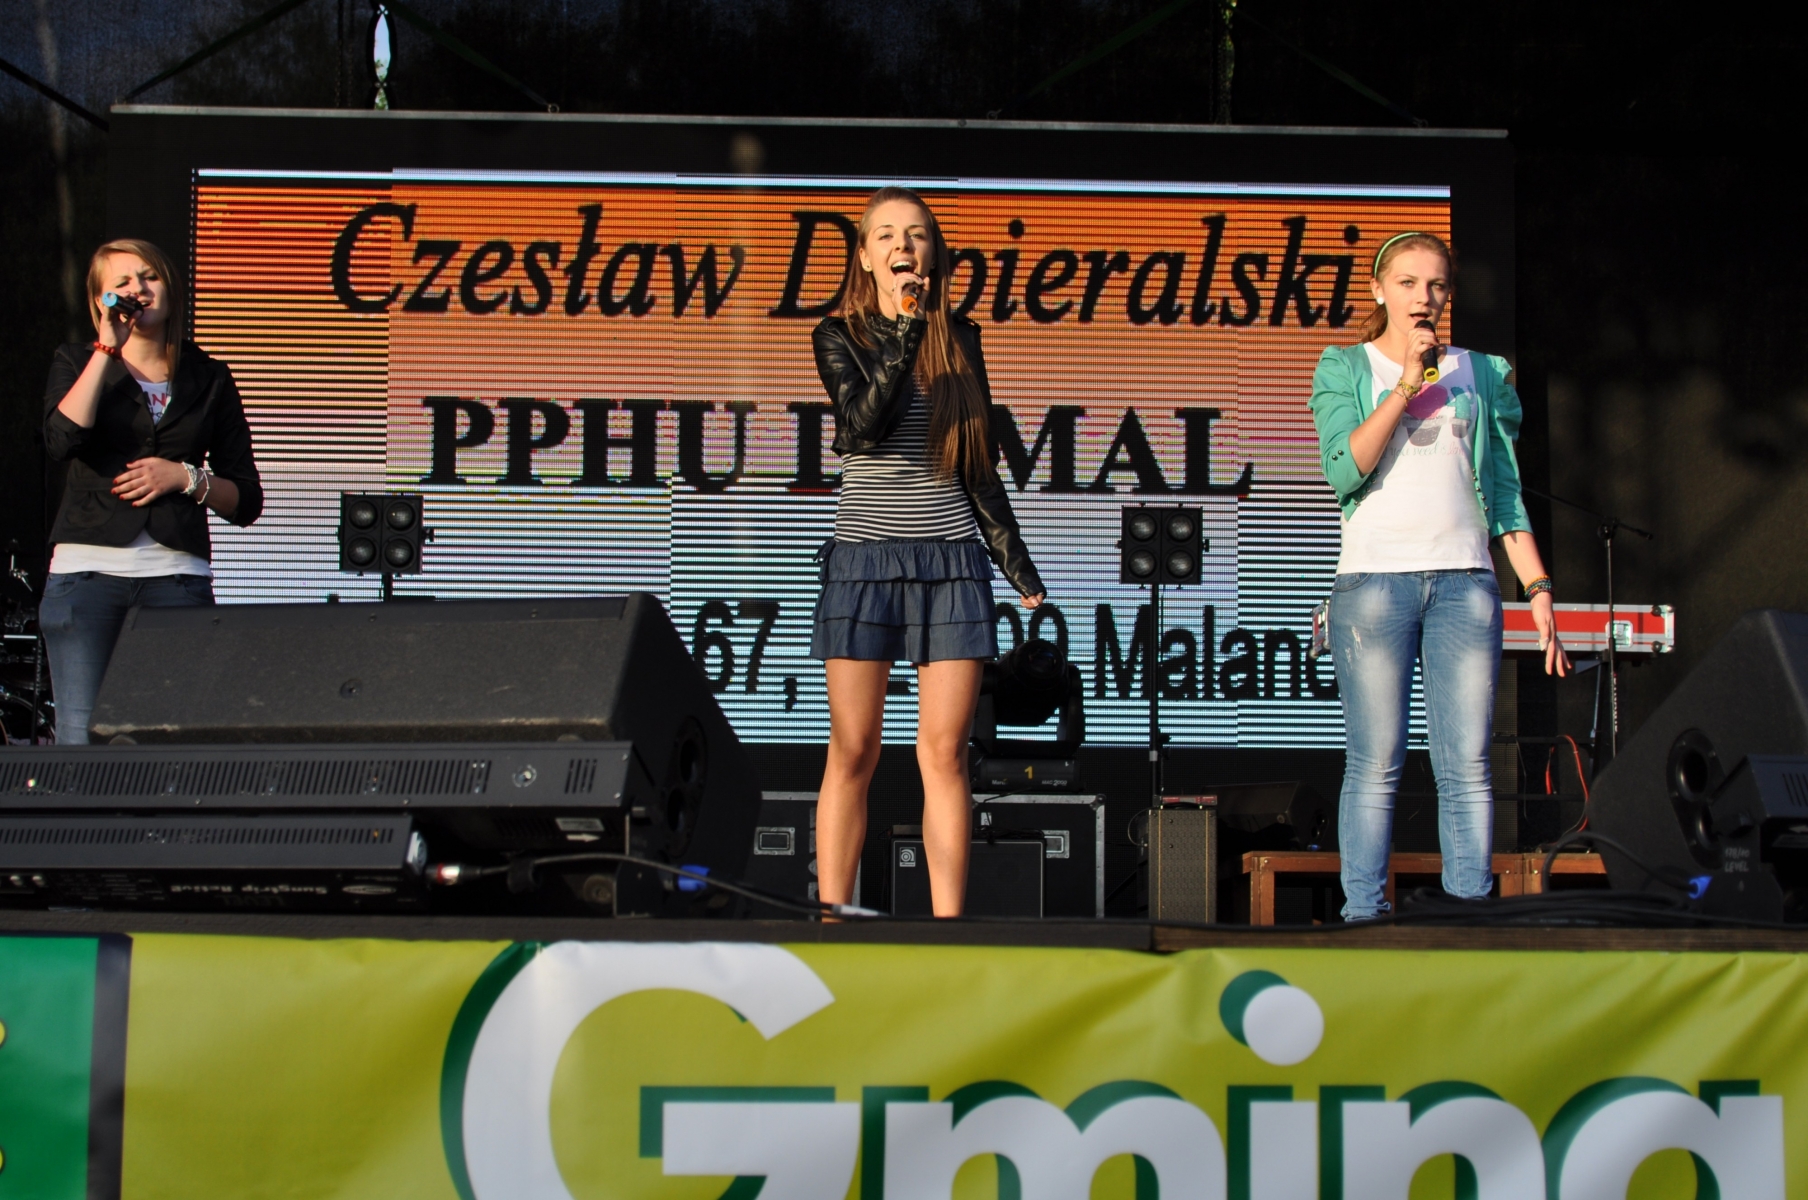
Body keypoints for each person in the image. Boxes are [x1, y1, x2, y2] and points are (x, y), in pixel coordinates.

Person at [1309, 231, 1569, 920]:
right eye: (1407, 283)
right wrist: (1405, 384)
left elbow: (1504, 494)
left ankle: (1467, 919)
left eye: (1436, 285)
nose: (1423, 297)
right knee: (1376, 761)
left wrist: (1538, 588)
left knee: (1468, 764)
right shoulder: (1346, 366)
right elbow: (1345, 470)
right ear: (1378, 289)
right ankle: (1365, 916)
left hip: (1465, 584)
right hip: (1374, 583)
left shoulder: (1480, 373)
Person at [810, 186, 1046, 917]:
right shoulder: (837, 334)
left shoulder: (962, 338)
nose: (902, 246)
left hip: (950, 561)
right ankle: (834, 917)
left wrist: (1013, 559)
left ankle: (949, 927)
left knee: (943, 753)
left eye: (915, 234)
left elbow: (976, 461)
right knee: (853, 749)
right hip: (865, 560)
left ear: (934, 253)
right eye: (885, 235)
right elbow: (862, 428)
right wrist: (906, 332)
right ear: (864, 256)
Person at [39, 238, 263, 743]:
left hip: (176, 580)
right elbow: (61, 441)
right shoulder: (76, 360)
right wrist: (106, 348)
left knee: (171, 741)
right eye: (122, 282)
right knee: (80, 738)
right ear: (102, 300)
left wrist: (184, 477)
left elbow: (247, 500)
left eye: (149, 276)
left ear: (170, 287)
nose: (138, 289)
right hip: (86, 576)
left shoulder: (209, 377)